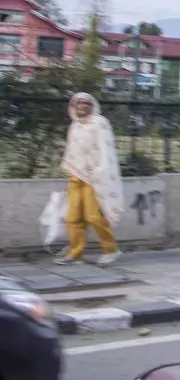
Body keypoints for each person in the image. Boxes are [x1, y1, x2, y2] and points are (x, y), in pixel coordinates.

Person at [56, 93, 124, 266]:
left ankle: (111, 250)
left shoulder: (99, 123)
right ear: (73, 105)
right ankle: (75, 253)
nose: (83, 106)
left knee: (94, 216)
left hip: (94, 177)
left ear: (92, 106)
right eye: (79, 103)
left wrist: (100, 172)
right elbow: (72, 151)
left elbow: (105, 150)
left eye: (87, 103)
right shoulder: (75, 125)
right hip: (75, 176)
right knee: (73, 217)